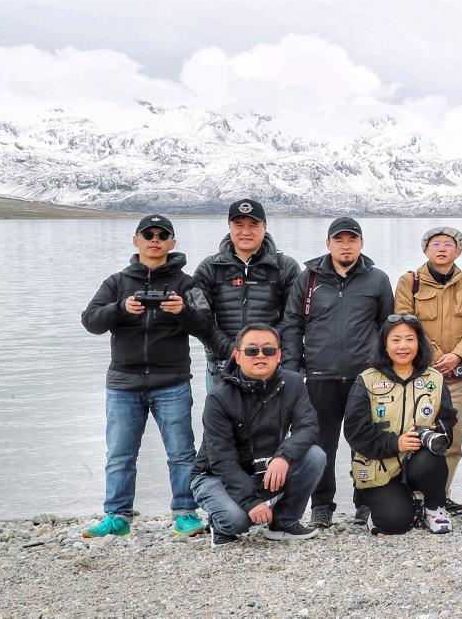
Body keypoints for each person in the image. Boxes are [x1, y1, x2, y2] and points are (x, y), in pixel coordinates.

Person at [80, 214, 212, 538]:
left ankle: (185, 513)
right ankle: (117, 516)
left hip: (172, 382)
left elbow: (207, 324)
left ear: (172, 243)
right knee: (119, 454)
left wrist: (183, 312)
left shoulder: (186, 284)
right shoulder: (116, 283)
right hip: (123, 383)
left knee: (182, 453)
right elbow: (90, 320)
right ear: (136, 240)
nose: (155, 239)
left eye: (162, 235)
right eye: (149, 234)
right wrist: (121, 308)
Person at [281, 217, 395, 528]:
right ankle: (321, 506)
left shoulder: (378, 279)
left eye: (352, 239)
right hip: (320, 376)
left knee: (366, 441)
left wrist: (385, 370)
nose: (346, 246)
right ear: (328, 244)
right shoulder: (308, 280)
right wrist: (292, 370)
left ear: (361, 243)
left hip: (364, 377)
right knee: (321, 444)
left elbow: (387, 328)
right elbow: (292, 325)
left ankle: (366, 501)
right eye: (339, 240)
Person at [191, 324, 325, 546]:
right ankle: (219, 524)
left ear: (279, 355)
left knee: (315, 455)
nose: (260, 356)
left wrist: (284, 456)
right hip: (215, 475)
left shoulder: (293, 383)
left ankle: (283, 522)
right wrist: (250, 502)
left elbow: (308, 426)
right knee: (237, 520)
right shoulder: (219, 397)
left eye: (268, 350)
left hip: (261, 469)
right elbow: (221, 459)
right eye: (252, 350)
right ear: (237, 356)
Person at [343, 316, 458, 534]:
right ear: (384, 345)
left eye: (409, 339)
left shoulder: (435, 379)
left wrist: (440, 431)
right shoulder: (367, 380)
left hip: (417, 461)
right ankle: (384, 508)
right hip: (379, 466)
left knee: (432, 460)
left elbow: (448, 419)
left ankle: (434, 508)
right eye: (395, 340)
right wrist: (396, 443)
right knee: (395, 523)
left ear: (419, 343)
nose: (403, 346)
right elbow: (355, 431)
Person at [393, 226, 462, 514]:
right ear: (425, 249)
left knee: (451, 438)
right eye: (436, 244)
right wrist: (435, 356)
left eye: (448, 244)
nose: (442, 249)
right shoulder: (410, 282)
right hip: (419, 374)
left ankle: (441, 495)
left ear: (458, 250)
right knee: (415, 433)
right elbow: (405, 323)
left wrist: (457, 356)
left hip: (457, 375)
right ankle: (413, 495)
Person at [193, 198, 300, 392]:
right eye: (239, 225)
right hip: (222, 364)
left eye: (253, 225)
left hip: (270, 364)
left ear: (265, 226)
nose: (246, 231)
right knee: (220, 413)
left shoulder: (286, 267)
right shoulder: (209, 268)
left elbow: (294, 318)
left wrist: (262, 349)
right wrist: (232, 350)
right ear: (229, 226)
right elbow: (199, 320)